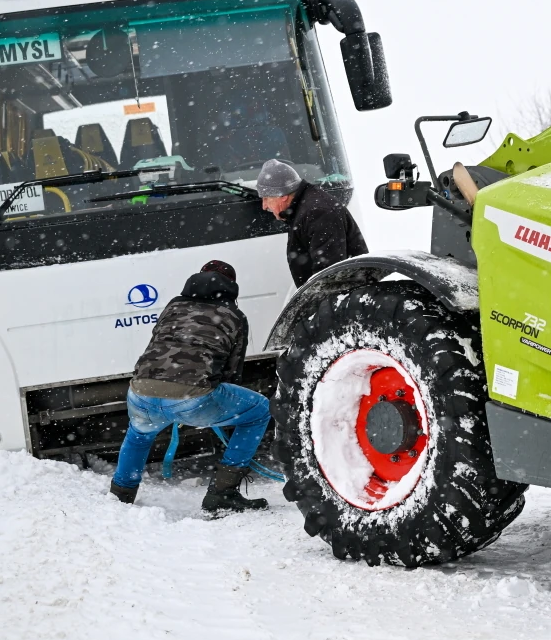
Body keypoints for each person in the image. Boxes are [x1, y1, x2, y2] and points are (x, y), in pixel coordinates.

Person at [110, 259, 271, 514]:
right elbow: (232, 373)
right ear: (231, 287)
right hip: (192, 395)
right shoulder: (235, 316)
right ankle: (222, 493)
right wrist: (204, 407)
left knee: (139, 435)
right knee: (259, 410)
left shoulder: (174, 306)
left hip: (141, 390)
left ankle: (120, 496)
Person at [256, 158, 368, 286]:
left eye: (266, 198)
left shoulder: (318, 213)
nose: (264, 206)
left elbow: (328, 276)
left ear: (283, 196)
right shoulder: (304, 208)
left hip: (344, 298)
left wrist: (317, 303)